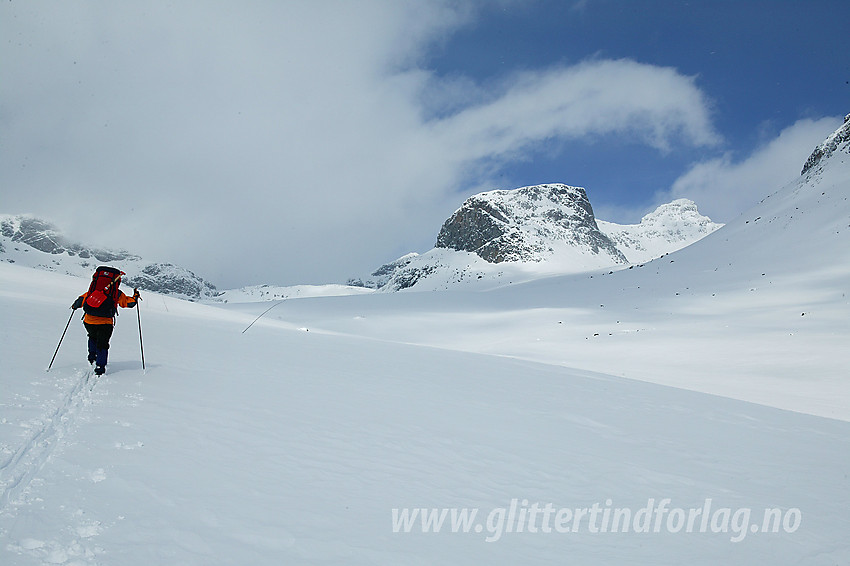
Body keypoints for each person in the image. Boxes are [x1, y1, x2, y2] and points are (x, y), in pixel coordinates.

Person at [71, 267, 140, 375]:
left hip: (89, 320)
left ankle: (91, 357)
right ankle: (100, 366)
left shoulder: (93, 291)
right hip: (105, 322)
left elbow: (80, 301)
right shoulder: (116, 293)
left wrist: (75, 306)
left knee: (92, 336)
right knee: (103, 343)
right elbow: (129, 303)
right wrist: (135, 296)